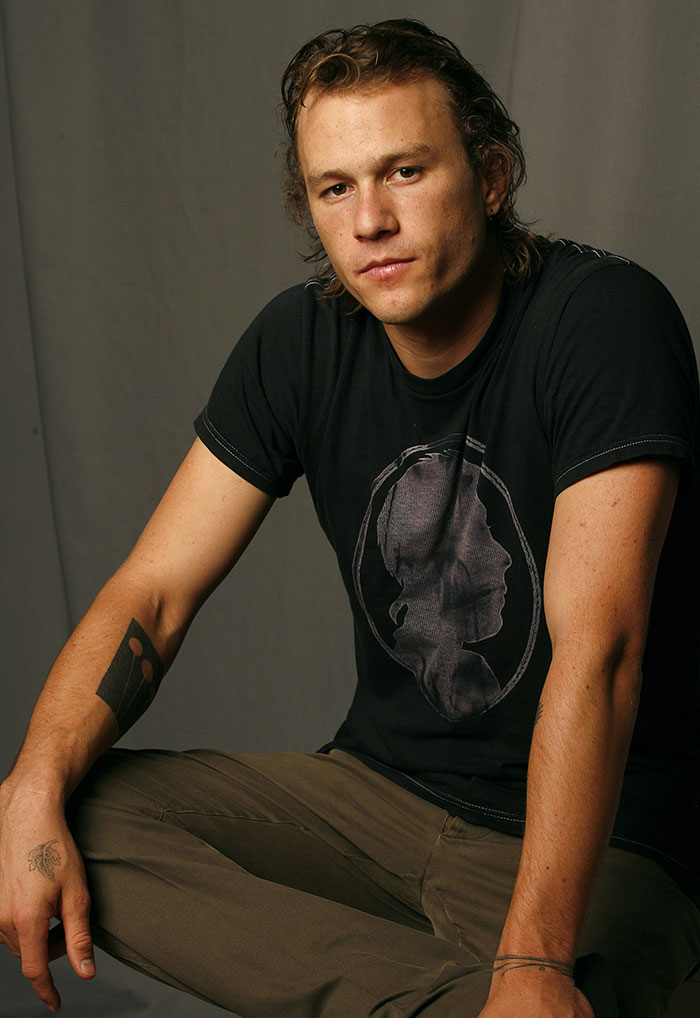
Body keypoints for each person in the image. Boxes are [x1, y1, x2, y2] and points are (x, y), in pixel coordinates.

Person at [1, 17, 699, 1018]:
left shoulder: (602, 320)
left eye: (405, 172)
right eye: (336, 189)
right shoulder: (301, 341)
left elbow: (601, 654)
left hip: (605, 834)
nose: (370, 219)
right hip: (376, 801)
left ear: (491, 177)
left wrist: (535, 960)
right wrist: (28, 786)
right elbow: (151, 597)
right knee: (76, 811)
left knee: (555, 972)